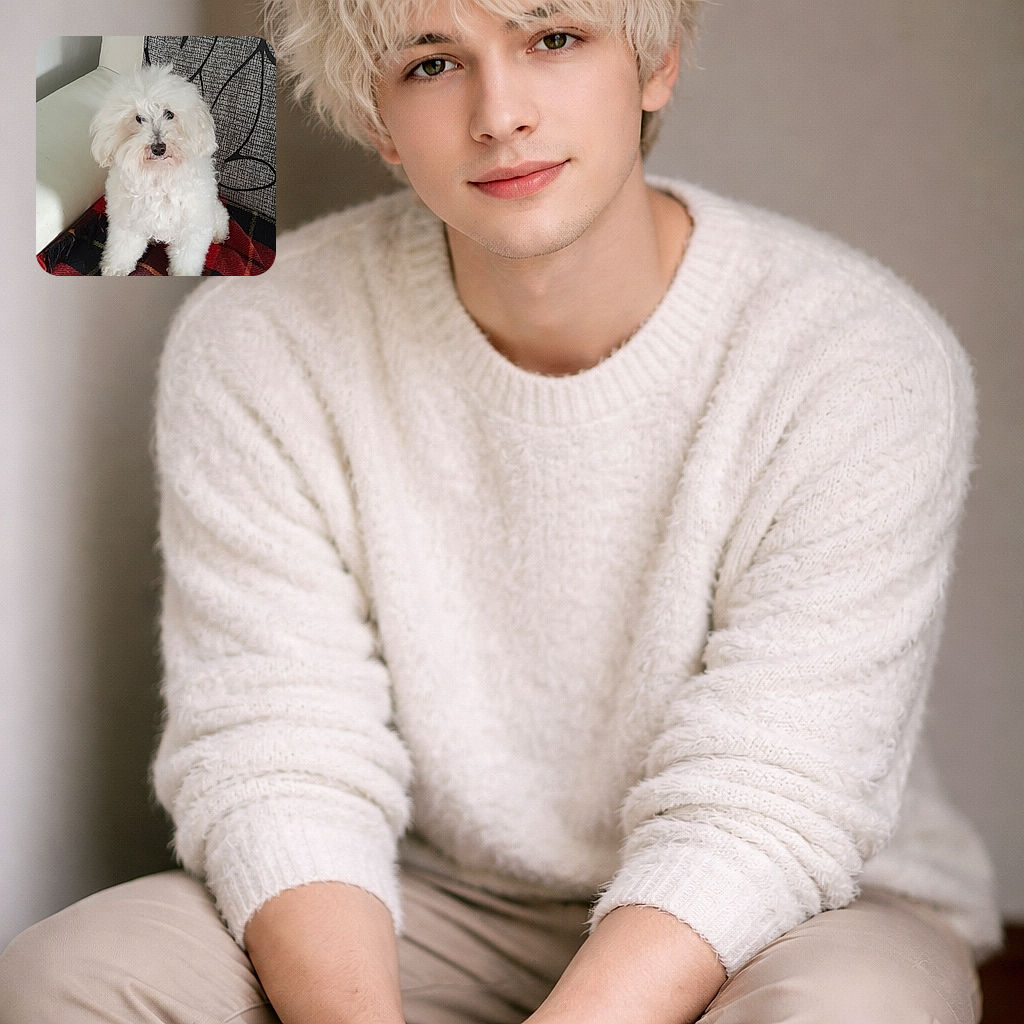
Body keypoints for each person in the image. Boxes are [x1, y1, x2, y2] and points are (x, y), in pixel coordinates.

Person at [0, 1, 1001, 1021]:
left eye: (554, 40)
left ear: (656, 63)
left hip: (792, 916)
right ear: (378, 119)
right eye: (432, 64)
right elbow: (279, 749)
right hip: (432, 898)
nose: (499, 114)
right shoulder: (257, 338)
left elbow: (768, 802)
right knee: (70, 976)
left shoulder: (854, 356)